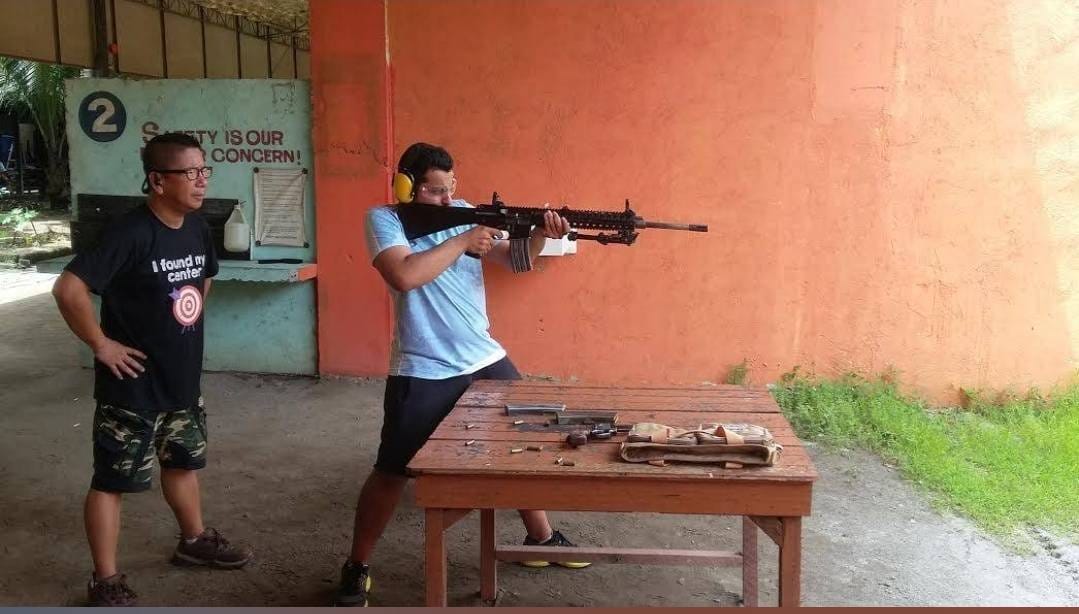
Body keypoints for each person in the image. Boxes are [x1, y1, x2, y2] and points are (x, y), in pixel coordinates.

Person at [335, 142, 589, 607]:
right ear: (405, 186)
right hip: (424, 364)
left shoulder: (464, 212)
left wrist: (538, 234)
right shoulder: (386, 219)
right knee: (392, 471)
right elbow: (404, 276)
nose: (447, 199)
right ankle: (357, 565)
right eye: (435, 191)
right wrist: (462, 240)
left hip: (483, 357)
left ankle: (540, 537)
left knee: (523, 444)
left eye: (451, 188)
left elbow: (516, 260)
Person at [52, 132, 252, 607]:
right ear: (158, 181)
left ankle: (194, 541)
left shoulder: (196, 227)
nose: (201, 181)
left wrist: (186, 317)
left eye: (204, 170)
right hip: (131, 388)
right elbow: (68, 289)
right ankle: (105, 579)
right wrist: (101, 344)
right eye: (190, 173)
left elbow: (204, 277)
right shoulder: (130, 233)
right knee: (112, 482)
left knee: (182, 463)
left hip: (180, 380)